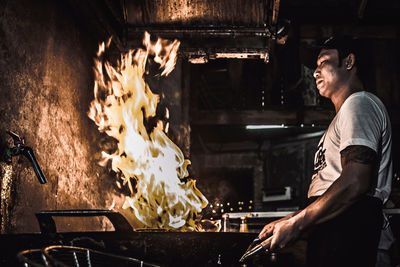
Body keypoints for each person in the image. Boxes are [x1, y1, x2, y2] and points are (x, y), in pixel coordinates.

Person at [258, 35, 393, 267]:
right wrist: (292, 219)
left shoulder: (359, 103)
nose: (314, 72)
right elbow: (331, 186)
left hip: (354, 233)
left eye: (323, 63)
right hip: (336, 233)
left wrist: (298, 223)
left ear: (348, 62)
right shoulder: (344, 115)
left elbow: (355, 182)